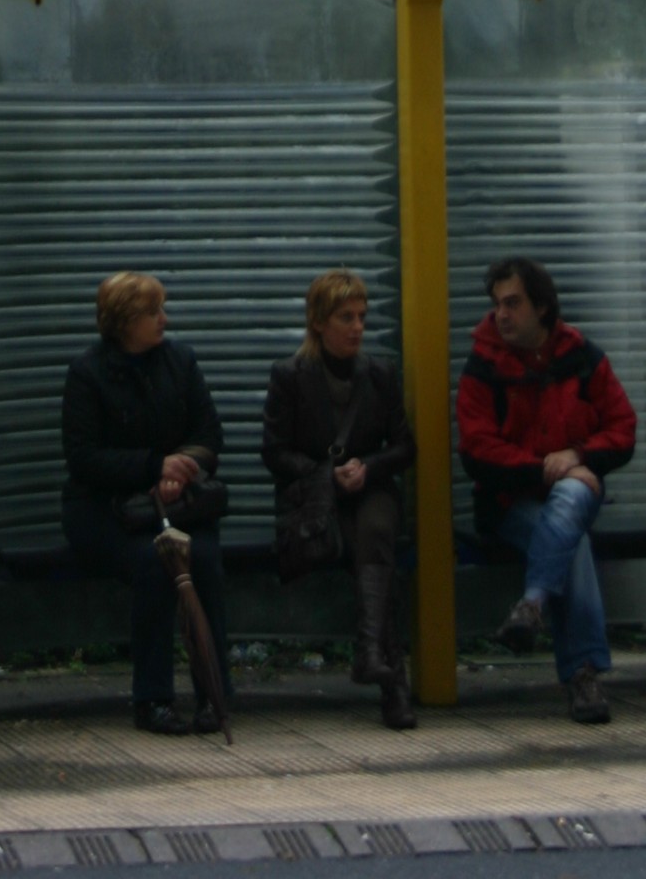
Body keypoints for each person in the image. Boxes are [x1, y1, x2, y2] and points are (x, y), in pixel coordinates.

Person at [456, 255, 635, 726]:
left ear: (542, 306)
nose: (502, 315)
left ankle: (532, 604)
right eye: (497, 304)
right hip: (507, 503)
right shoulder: (483, 365)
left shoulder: (582, 356)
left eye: (513, 303)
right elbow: (476, 450)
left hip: (574, 486)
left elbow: (623, 428)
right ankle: (583, 674)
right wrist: (545, 470)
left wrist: (579, 457)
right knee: (571, 538)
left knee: (572, 503)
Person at [62, 272, 231, 736]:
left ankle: (214, 694)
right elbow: (84, 459)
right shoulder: (88, 373)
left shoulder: (180, 360)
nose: (164, 319)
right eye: (153, 312)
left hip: (180, 506)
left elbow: (210, 436)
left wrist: (183, 467)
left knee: (207, 560)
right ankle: (152, 698)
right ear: (123, 321)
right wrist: (155, 467)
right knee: (157, 564)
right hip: (106, 511)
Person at [262, 268, 416, 730]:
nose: (357, 327)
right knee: (373, 547)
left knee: (374, 530)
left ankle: (372, 654)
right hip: (315, 499)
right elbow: (274, 452)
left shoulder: (379, 373)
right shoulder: (290, 376)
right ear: (318, 322)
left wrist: (368, 468)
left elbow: (405, 447)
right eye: (345, 317)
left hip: (370, 490)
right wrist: (327, 475)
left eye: (362, 317)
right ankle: (391, 683)